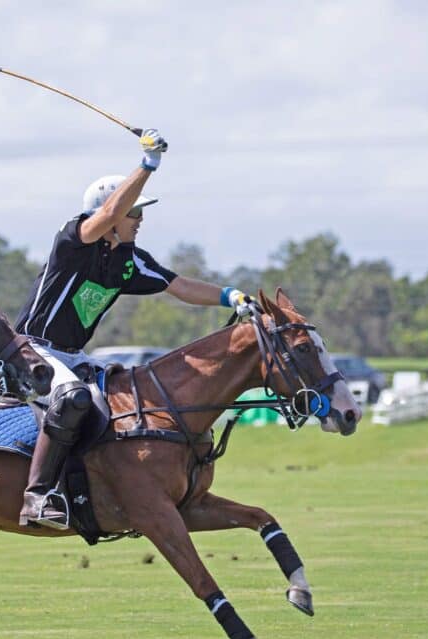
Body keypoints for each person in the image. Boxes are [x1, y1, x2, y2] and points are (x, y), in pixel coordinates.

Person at [14, 129, 254, 529]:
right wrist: (147, 165)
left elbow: (179, 286)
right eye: (135, 213)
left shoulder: (129, 262)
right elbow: (107, 215)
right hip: (31, 350)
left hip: (73, 356)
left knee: (131, 395)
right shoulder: (75, 240)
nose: (140, 220)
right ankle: (36, 497)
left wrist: (230, 296)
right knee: (73, 399)